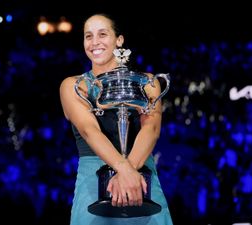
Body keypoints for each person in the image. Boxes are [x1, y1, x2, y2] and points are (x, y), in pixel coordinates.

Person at [59, 13, 173, 225]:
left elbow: (152, 129)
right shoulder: (74, 85)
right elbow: (89, 131)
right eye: (88, 36)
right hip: (93, 182)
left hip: (142, 178)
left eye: (102, 34)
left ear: (119, 40)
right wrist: (125, 170)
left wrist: (128, 174)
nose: (94, 42)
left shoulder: (147, 81)